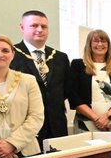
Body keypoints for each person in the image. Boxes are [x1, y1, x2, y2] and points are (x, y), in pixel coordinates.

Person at [0, 33, 44, 158]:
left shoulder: (28, 80)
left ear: (12, 55)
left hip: (24, 151)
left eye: (5, 50)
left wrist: (12, 143)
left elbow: (36, 116)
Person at [10, 9, 69, 144]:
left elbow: (65, 90)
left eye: (44, 26)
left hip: (56, 123)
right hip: (25, 125)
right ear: (22, 27)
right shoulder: (11, 55)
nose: (40, 30)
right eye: (34, 25)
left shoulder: (60, 57)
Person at [67, 29, 111, 133]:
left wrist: (108, 117)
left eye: (104, 41)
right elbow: (74, 96)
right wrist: (96, 119)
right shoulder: (78, 64)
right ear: (89, 44)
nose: (100, 44)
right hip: (86, 121)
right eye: (95, 41)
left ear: (108, 45)